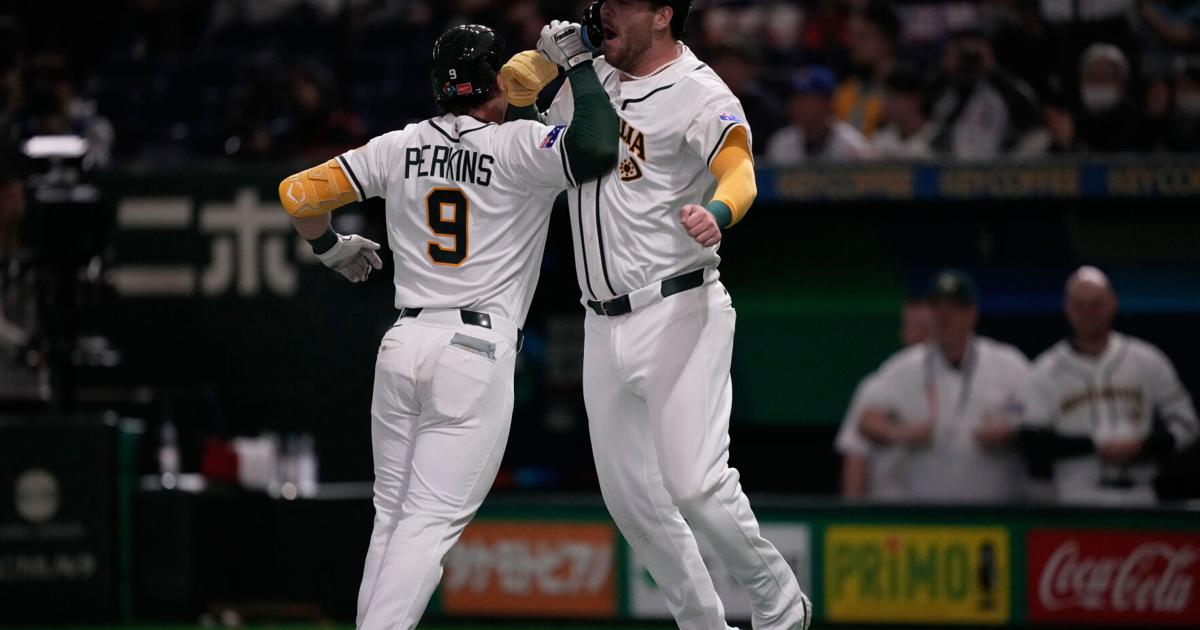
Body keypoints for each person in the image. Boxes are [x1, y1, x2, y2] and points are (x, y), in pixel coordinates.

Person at [276, 24, 618, 629]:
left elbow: (298, 194)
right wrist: (580, 65)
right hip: (472, 352)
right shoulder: (516, 146)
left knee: (394, 519)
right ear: (494, 84)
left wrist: (329, 249)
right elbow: (595, 148)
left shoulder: (399, 144)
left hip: (405, 340)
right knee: (427, 525)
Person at [513, 1, 811, 628]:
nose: (604, 13)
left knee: (695, 485)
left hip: (677, 305)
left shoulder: (699, 90)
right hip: (600, 322)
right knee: (634, 506)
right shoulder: (590, 79)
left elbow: (741, 174)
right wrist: (549, 56)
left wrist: (720, 213)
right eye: (602, 4)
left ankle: (782, 608)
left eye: (621, 4)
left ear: (662, 13)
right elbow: (515, 91)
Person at [1018, 266, 1199, 506]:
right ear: (1067, 309)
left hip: (1141, 494)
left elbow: (1187, 423)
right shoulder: (1045, 369)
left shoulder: (1146, 359)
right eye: (1079, 305)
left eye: (1096, 304)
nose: (1088, 313)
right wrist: (1093, 446)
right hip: (1076, 495)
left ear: (1113, 303)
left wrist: (1144, 447)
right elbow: (1031, 439)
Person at [856, 270, 1031, 503]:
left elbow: (1038, 417)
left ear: (971, 314)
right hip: (929, 518)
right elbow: (867, 421)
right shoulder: (904, 367)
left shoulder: (1008, 363)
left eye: (953, 309)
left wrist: (1010, 431)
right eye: (937, 308)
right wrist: (901, 433)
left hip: (996, 513)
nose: (944, 316)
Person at [836, 298, 933, 500]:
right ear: (903, 331)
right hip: (890, 511)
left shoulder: (962, 381)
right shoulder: (876, 384)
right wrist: (851, 516)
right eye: (913, 326)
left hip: (949, 511)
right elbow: (856, 455)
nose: (921, 333)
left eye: (926, 326)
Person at [928, 27, 1044, 159]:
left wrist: (992, 69)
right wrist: (948, 70)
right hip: (948, 169)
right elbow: (925, 116)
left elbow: (1029, 119)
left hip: (995, 168)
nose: (968, 57)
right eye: (962, 51)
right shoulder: (944, 88)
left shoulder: (1005, 87)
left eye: (975, 51)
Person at [765, 65, 877, 165]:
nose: (799, 106)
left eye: (807, 100)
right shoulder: (781, 143)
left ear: (827, 103)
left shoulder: (852, 147)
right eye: (796, 99)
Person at [832, 0, 900, 137]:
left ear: (886, 41)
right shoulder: (848, 89)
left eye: (863, 37)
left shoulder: (907, 91)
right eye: (855, 37)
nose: (855, 44)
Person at [871, 65, 935, 159]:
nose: (888, 105)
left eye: (894, 97)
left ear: (915, 98)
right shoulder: (881, 139)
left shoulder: (937, 139)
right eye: (886, 98)